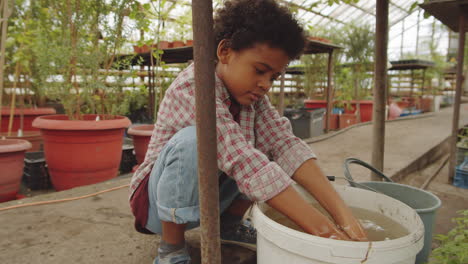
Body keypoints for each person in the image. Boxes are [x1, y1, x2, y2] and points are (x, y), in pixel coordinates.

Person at [129, 0, 368, 263]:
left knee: (263, 144)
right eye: (260, 71)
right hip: (156, 206)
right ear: (225, 52)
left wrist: (345, 218)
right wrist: (326, 235)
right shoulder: (193, 87)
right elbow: (244, 162)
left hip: (208, 199)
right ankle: (171, 249)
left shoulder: (253, 100)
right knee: (196, 141)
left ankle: (228, 225)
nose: (265, 85)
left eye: (273, 77)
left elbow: (285, 145)